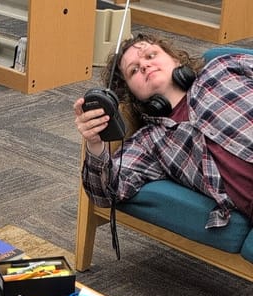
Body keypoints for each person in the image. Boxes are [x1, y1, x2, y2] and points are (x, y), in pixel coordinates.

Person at [73, 34, 253, 230]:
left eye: (150, 55)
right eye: (133, 70)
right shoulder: (150, 141)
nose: (143, 66)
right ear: (132, 92)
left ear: (175, 59)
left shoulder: (221, 68)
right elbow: (106, 193)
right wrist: (95, 142)